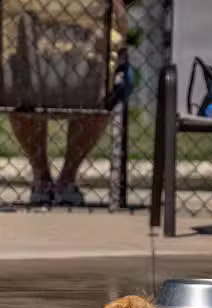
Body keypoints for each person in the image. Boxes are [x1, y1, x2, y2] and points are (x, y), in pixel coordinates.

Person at [5, 0, 129, 206]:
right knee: (113, 80)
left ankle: (41, 177)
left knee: (15, 76)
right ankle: (67, 179)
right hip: (88, 80)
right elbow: (123, 25)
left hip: (29, 78)